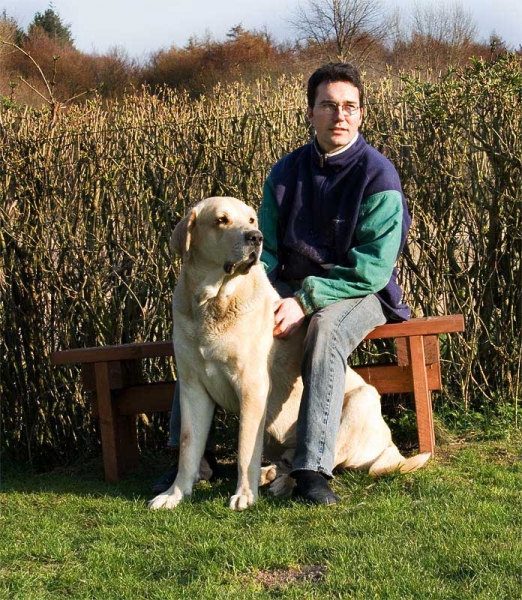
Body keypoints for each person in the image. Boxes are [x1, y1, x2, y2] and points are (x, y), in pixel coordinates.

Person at [153, 62, 411, 505]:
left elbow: (371, 268)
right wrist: (257, 295)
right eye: (328, 106)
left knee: (323, 330)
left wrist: (306, 300)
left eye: (349, 106)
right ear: (310, 112)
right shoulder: (285, 173)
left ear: (362, 114)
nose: (339, 115)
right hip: (290, 287)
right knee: (201, 328)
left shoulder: (379, 177)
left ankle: (312, 468)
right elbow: (262, 252)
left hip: (358, 291)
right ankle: (193, 458)